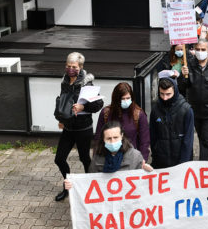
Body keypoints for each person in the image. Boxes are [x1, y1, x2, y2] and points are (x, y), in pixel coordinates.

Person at [53, 52, 104, 202]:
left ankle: (91, 189)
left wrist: (83, 106)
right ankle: (67, 187)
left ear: (80, 67)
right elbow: (63, 101)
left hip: (83, 128)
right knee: (59, 159)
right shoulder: (64, 81)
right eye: (68, 66)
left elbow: (98, 105)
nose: (70, 69)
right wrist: (61, 118)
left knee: (84, 159)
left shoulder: (87, 83)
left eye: (74, 66)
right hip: (68, 127)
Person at [63, 121, 154, 191]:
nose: (112, 141)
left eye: (115, 137)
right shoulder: (97, 158)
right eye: (109, 138)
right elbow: (90, 181)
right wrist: (73, 184)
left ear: (121, 136)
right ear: (103, 139)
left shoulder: (135, 156)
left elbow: (143, 185)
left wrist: (148, 172)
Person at [94, 82, 150, 161]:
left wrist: (143, 160)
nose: (125, 101)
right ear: (116, 99)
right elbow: (98, 138)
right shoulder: (106, 113)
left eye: (128, 98)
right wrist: (96, 159)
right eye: (122, 99)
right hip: (108, 157)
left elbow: (144, 142)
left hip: (131, 159)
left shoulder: (139, 114)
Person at [149, 77, 194, 168]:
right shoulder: (155, 109)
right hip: (160, 160)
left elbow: (188, 139)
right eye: (162, 94)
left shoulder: (186, 110)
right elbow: (153, 135)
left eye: (168, 94)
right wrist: (155, 156)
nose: (165, 98)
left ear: (175, 91)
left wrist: (184, 162)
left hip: (180, 161)